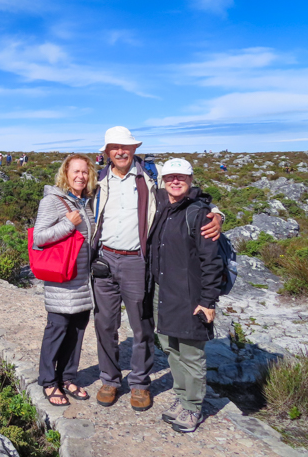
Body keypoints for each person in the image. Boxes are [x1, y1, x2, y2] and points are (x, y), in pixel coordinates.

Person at [91, 126, 223, 412]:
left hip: (137, 261)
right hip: (104, 260)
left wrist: (216, 213)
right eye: (114, 147)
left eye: (125, 147)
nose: (120, 152)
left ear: (134, 149)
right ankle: (109, 379)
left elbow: (188, 192)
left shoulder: (152, 175)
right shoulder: (98, 179)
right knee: (105, 324)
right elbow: (73, 195)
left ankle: (140, 383)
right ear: (107, 152)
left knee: (141, 325)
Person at [149, 158, 222, 433]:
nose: (175, 181)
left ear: (191, 180)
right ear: (163, 181)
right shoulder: (161, 205)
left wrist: (207, 301)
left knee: (191, 353)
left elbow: (211, 262)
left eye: (181, 177)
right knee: (171, 348)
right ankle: (182, 398)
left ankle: (193, 406)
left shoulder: (199, 214)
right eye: (170, 177)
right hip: (163, 291)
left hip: (190, 295)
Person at [33, 154, 97, 406]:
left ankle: (68, 377)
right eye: (76, 171)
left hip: (83, 280)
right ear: (66, 174)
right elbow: (39, 238)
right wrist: (68, 225)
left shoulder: (85, 202)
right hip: (62, 279)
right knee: (57, 330)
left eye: (85, 172)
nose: (80, 176)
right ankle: (49, 382)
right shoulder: (52, 201)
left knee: (77, 332)